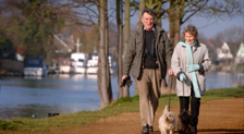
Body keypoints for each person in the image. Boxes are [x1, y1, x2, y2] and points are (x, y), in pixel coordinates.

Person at [121, 8, 173, 134]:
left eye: (150, 19)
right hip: (141, 70)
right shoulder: (136, 33)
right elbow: (129, 54)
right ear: (142, 20)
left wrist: (171, 66)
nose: (148, 21)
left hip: (157, 70)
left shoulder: (161, 33)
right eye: (146, 19)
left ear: (153, 19)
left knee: (155, 98)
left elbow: (168, 51)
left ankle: (150, 122)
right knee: (143, 98)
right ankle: (145, 125)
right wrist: (125, 72)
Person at [171, 25, 211, 134]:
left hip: (197, 81)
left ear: (195, 36)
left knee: (195, 105)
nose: (188, 39)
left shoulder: (202, 47)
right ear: (184, 35)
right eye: (187, 36)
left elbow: (208, 63)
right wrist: (179, 73)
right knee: (183, 107)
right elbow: (174, 63)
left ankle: (193, 126)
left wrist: (199, 66)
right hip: (184, 81)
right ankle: (183, 128)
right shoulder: (179, 47)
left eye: (191, 36)